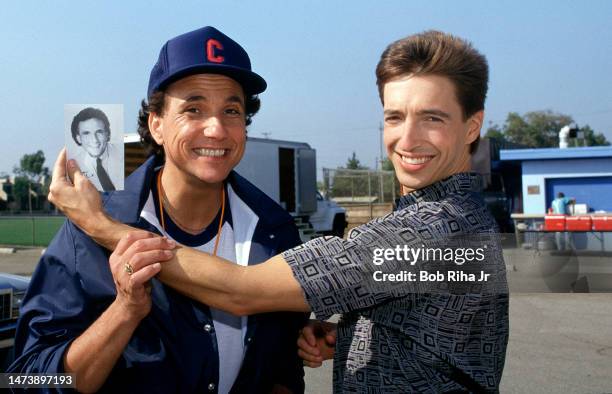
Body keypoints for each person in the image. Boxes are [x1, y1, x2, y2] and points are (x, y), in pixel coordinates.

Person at [48, 30, 509, 393]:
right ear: (156, 124)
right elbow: (27, 378)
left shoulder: (282, 229)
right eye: (394, 117)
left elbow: (245, 295)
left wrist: (104, 228)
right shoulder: (77, 240)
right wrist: (354, 334)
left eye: (433, 117)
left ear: (472, 125)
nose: (406, 140)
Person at [10, 26, 307, 394]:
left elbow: (284, 370)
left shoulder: (273, 229)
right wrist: (124, 313)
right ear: (157, 125)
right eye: (193, 109)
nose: (216, 129)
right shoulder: (87, 230)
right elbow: (26, 379)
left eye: (232, 109)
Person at [71, 107, 117, 191]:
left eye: (99, 132)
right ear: (78, 138)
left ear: (107, 134)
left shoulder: (124, 155)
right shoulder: (75, 166)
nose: (94, 140)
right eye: (86, 133)